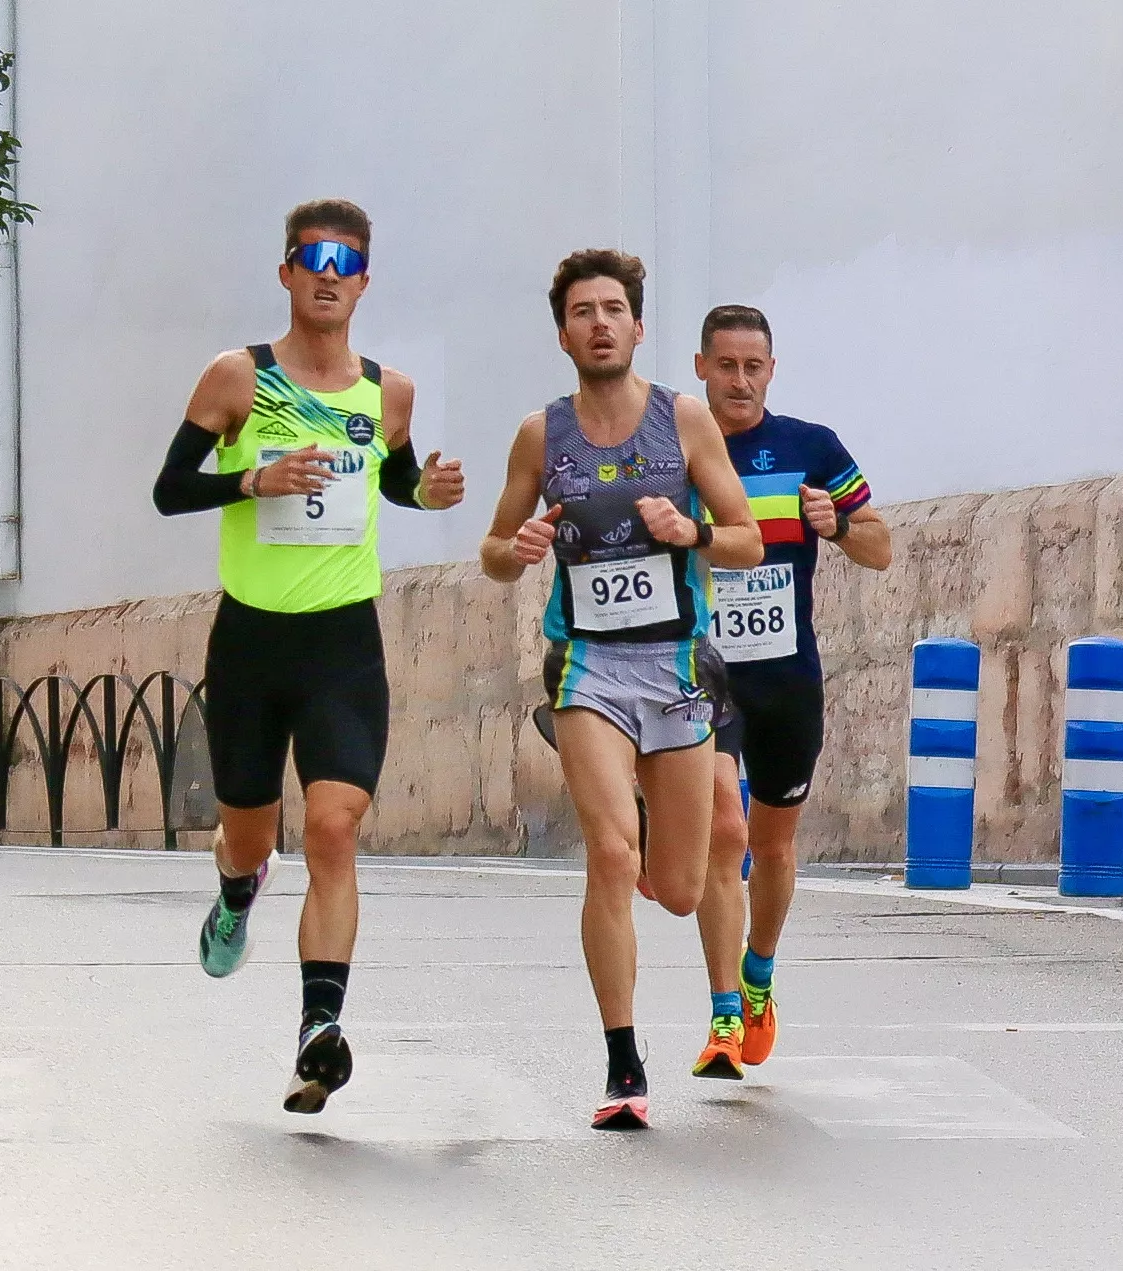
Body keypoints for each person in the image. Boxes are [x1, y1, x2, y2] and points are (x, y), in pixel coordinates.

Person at [151, 199, 465, 1114]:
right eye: (312, 258)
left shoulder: (387, 393)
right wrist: (254, 478)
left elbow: (396, 479)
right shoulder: (236, 379)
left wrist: (429, 489)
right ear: (286, 272)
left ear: (365, 281)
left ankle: (316, 1031)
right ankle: (235, 890)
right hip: (251, 640)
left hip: (342, 643)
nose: (329, 273)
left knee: (333, 827)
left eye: (348, 261)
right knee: (249, 833)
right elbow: (170, 490)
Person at [478, 250, 761, 1129]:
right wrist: (516, 548)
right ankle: (623, 1065)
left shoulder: (684, 421)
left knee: (676, 887)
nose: (599, 322)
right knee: (609, 858)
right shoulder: (541, 435)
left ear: (638, 328)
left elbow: (748, 539)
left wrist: (693, 529)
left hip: (676, 667)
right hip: (586, 667)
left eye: (613, 309)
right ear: (562, 332)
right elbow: (491, 551)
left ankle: (641, 806)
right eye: (581, 311)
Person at [687, 304, 891, 1081]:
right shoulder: (678, 447)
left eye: (754, 366)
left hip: (787, 678)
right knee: (725, 834)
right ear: (702, 366)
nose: (739, 380)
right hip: (706, 674)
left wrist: (835, 523)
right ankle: (722, 1014)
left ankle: (759, 978)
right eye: (726, 365)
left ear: (771, 370)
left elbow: (880, 545)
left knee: (771, 843)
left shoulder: (811, 447)